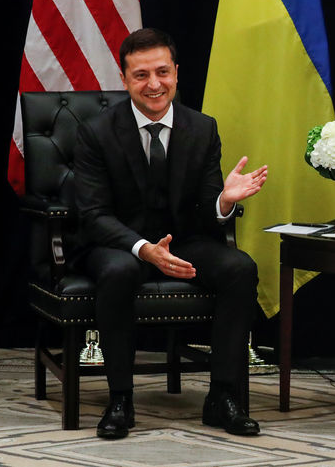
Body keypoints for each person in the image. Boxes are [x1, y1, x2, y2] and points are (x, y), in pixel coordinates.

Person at [74, 28, 267, 439]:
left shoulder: (203, 129)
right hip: (120, 243)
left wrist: (225, 202)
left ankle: (223, 397)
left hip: (185, 240)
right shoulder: (97, 132)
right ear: (124, 79)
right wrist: (144, 250)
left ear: (177, 73)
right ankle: (121, 399)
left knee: (240, 268)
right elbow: (93, 215)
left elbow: (206, 206)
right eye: (141, 75)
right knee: (119, 272)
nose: (154, 84)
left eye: (162, 72)